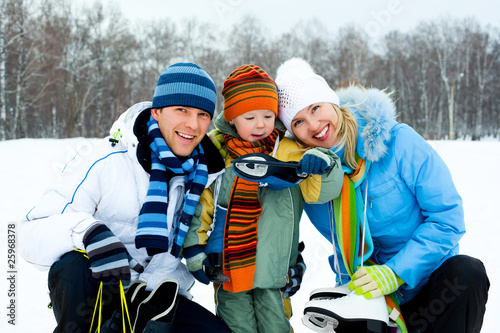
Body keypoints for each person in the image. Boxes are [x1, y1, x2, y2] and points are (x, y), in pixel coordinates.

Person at [274, 58, 490, 333]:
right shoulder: (311, 179)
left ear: (331, 101)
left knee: (468, 272)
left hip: (431, 285)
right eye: (299, 121)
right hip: (371, 298)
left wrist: (395, 272)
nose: (315, 125)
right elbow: (278, 222)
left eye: (316, 108)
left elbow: (448, 219)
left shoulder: (399, 142)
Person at [20, 62, 231, 333]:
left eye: (203, 114)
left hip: (156, 296)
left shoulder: (206, 174)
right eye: (182, 109)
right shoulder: (104, 162)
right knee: (73, 265)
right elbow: (27, 236)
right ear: (157, 112)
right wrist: (87, 233)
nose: (193, 124)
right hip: (100, 292)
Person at [181, 64, 343, 333]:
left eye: (268, 115)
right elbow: (201, 205)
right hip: (229, 268)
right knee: (234, 326)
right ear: (231, 118)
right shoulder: (217, 154)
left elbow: (321, 192)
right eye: (249, 117)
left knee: (277, 326)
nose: (260, 125)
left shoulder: (289, 151)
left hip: (276, 272)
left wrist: (323, 164)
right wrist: (195, 250)